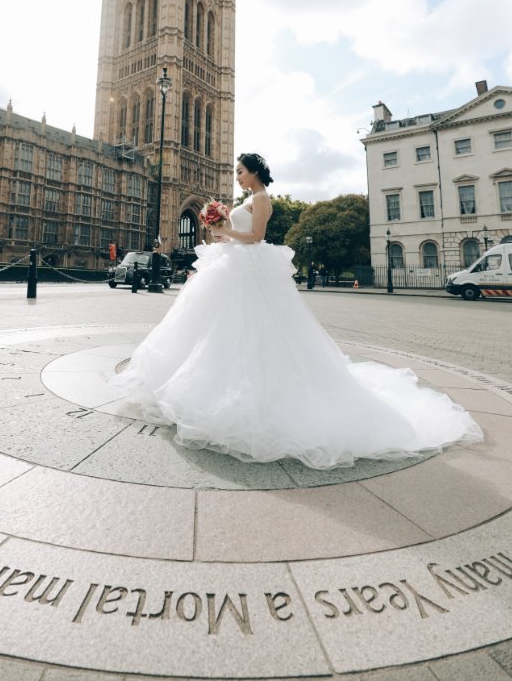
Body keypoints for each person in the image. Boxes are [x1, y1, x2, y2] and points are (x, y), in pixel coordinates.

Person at [111, 153, 482, 468]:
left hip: (245, 265)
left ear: (254, 172)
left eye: (240, 170)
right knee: (216, 328)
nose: (237, 176)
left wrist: (226, 229)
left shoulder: (263, 199)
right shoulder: (252, 197)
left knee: (246, 329)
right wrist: (224, 231)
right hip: (234, 265)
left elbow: (256, 238)